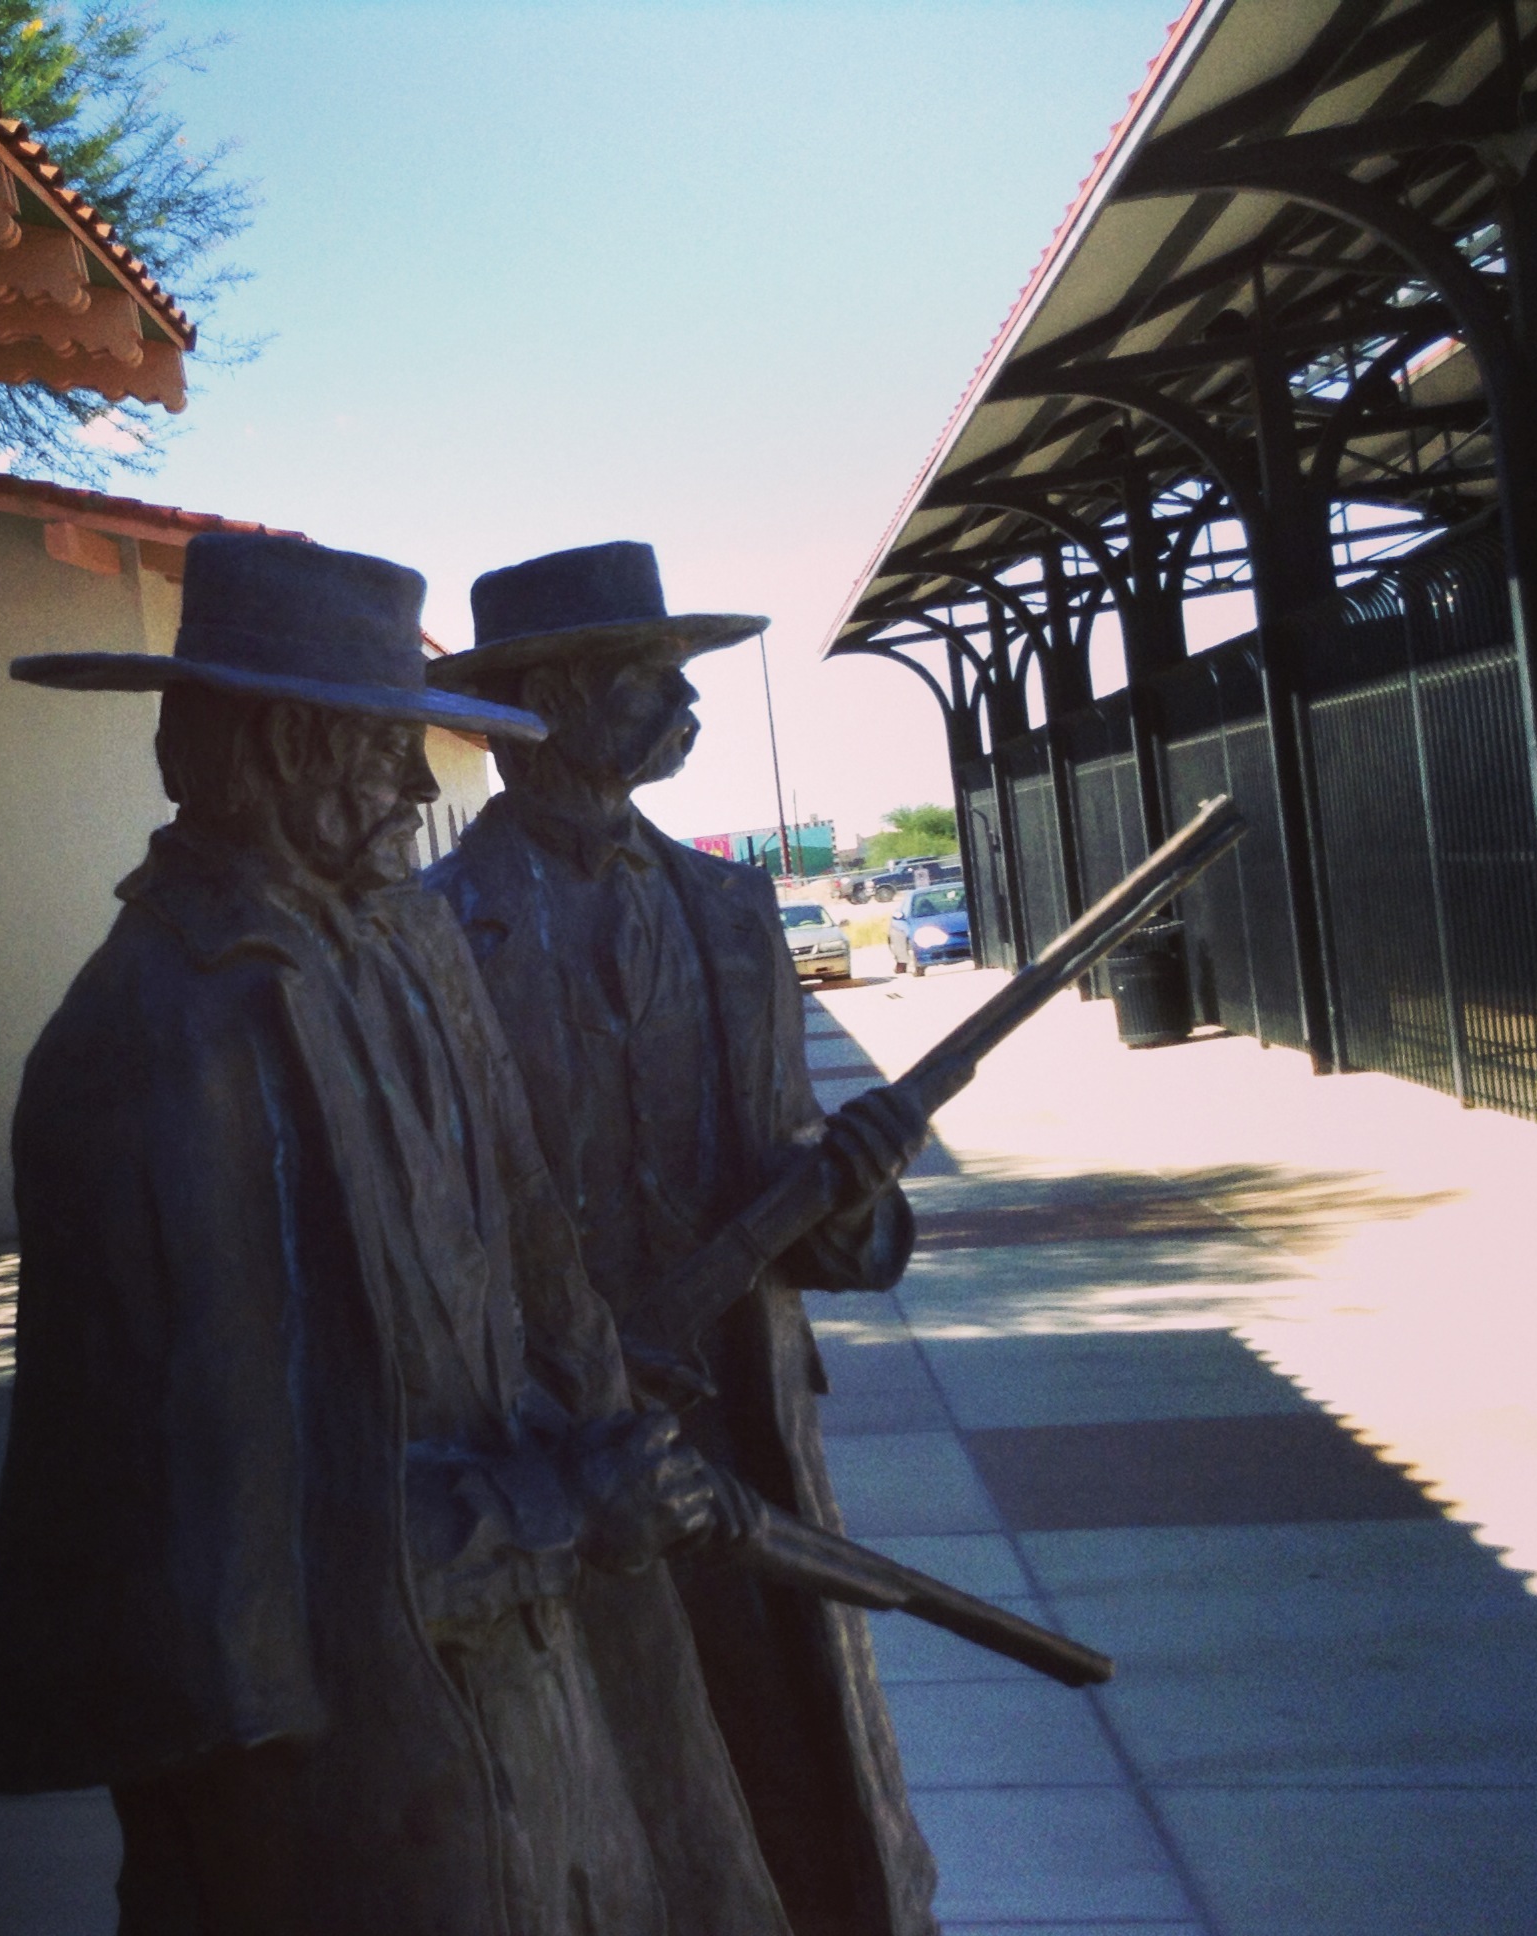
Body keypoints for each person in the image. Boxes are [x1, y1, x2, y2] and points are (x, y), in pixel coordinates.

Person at [0, 534, 790, 1936]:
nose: (420, 788)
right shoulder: (154, 1042)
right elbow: (221, 1534)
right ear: (288, 747)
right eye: (389, 748)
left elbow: (536, 1257)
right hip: (349, 1764)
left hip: (522, 1662)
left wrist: (613, 1441)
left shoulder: (407, 944)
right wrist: (558, 1511)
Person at [425, 541, 939, 1936]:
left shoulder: (731, 913)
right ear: (549, 700)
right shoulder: (432, 937)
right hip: (561, 1465)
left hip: (746, 1436)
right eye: (652, 679)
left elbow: (794, 1183)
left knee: (800, 1791)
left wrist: (850, 1202)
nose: (689, 705)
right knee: (621, 1815)